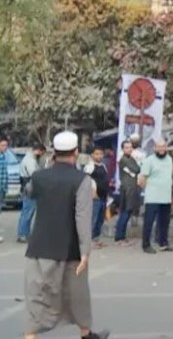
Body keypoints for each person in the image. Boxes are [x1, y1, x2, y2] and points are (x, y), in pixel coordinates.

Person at [23, 132, 110, 339]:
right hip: (71, 248)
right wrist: (85, 251)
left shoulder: (39, 177)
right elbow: (82, 218)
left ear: (54, 152)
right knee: (77, 295)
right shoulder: (82, 180)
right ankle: (85, 334)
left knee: (39, 296)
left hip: (40, 246)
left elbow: (28, 192)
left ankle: (30, 336)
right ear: (76, 152)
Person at [138, 140, 173, 254]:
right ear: (154, 148)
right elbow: (142, 179)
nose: (161, 149)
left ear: (166, 148)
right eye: (159, 147)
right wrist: (150, 189)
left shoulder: (169, 159)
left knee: (164, 222)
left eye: (163, 146)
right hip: (152, 197)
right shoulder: (149, 160)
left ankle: (163, 243)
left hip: (166, 196)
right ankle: (146, 245)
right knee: (149, 222)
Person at [17, 143, 46, 243]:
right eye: (42, 153)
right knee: (28, 212)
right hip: (30, 188)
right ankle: (23, 234)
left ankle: (24, 233)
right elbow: (34, 174)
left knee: (27, 212)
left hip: (28, 187)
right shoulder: (30, 160)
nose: (42, 155)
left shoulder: (30, 159)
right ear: (38, 150)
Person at [112, 141, 140, 246]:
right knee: (124, 212)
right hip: (126, 189)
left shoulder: (131, 158)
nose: (129, 149)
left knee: (128, 212)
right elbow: (136, 169)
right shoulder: (123, 160)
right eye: (127, 147)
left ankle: (122, 236)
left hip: (132, 188)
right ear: (123, 149)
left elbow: (137, 169)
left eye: (130, 147)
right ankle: (119, 237)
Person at [83, 149, 109, 247]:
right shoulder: (89, 166)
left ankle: (95, 238)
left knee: (100, 219)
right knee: (92, 219)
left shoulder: (103, 166)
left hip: (103, 196)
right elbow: (86, 180)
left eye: (101, 154)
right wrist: (92, 191)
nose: (99, 156)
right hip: (94, 197)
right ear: (92, 155)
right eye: (97, 154)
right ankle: (88, 240)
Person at [0, 135, 15, 244]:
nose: (5, 147)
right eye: (3, 145)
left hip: (2, 188)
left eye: (6, 145)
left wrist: (5, 188)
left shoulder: (4, 156)